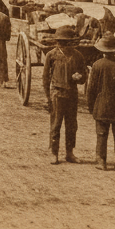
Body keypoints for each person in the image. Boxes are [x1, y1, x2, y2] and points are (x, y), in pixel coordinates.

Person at [85, 33, 115, 171]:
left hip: (101, 106)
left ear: (101, 50)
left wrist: (91, 106)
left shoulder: (97, 65)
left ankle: (101, 162)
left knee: (101, 135)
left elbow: (91, 89)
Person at [43, 26, 86, 164]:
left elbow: (84, 76)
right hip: (57, 93)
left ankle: (69, 153)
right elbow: (45, 78)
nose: (63, 45)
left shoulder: (78, 56)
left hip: (72, 94)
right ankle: (54, 153)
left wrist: (79, 77)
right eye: (60, 42)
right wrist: (48, 97)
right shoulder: (51, 55)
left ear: (71, 42)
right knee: (56, 124)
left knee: (72, 125)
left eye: (66, 42)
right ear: (57, 42)